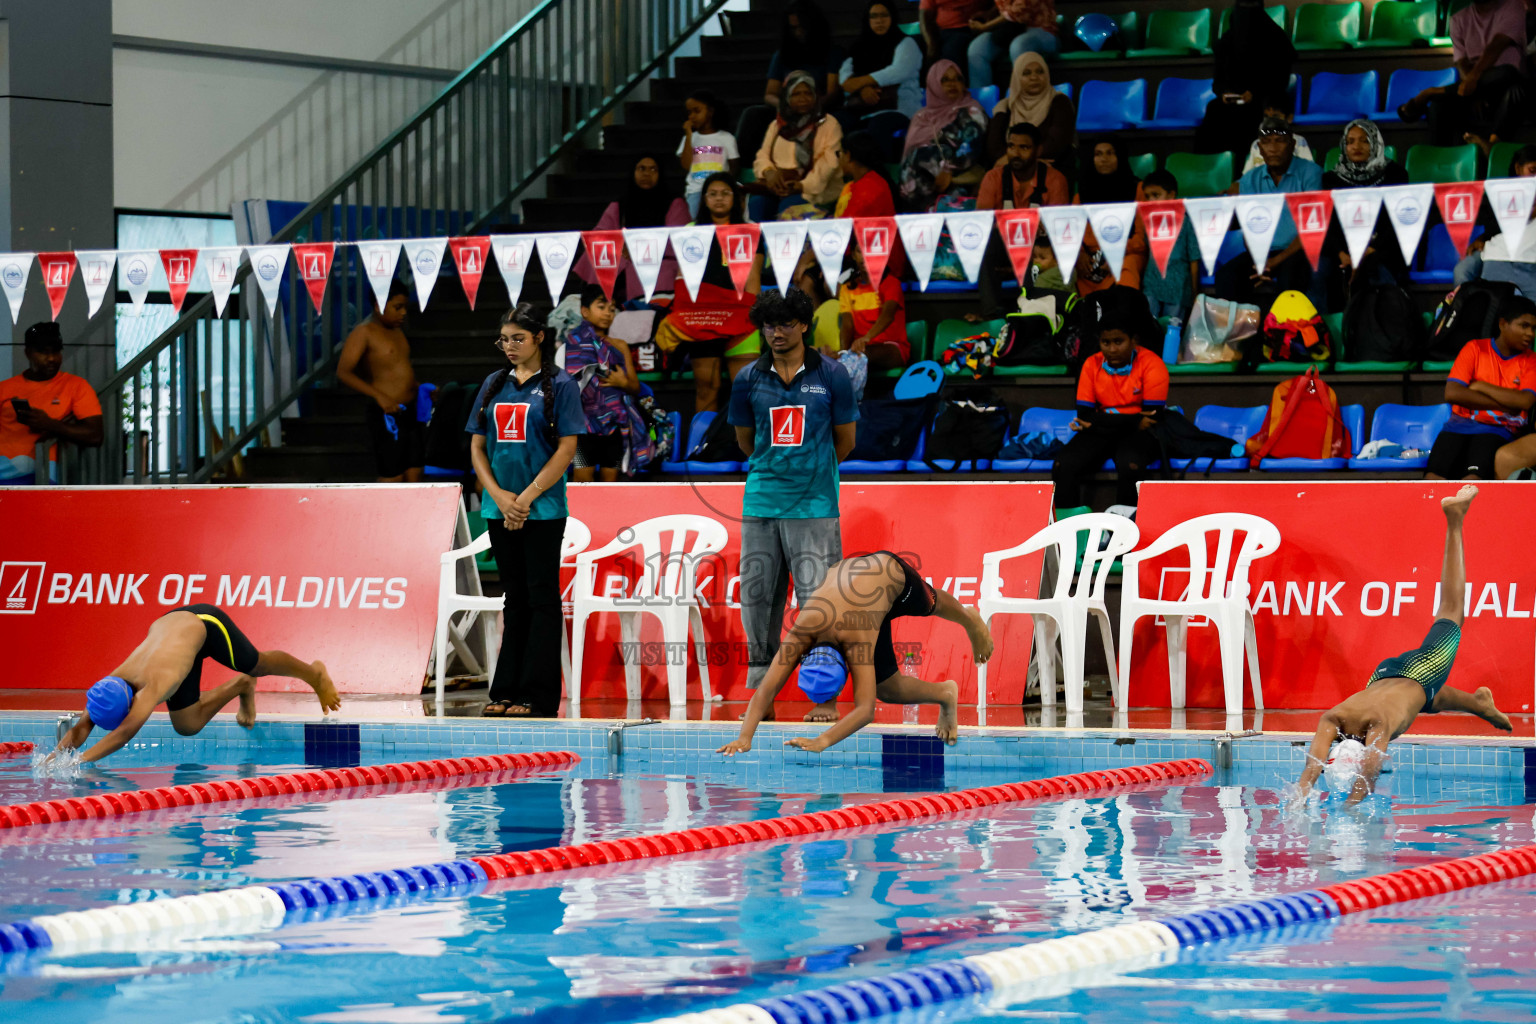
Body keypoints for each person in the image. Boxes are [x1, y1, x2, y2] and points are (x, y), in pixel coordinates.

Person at [1291, 486, 1512, 808]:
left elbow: (1364, 784)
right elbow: (1310, 773)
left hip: (1423, 670)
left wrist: (1344, 813)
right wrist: (1298, 801)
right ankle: (1481, 705)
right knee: (1426, 697)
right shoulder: (1332, 717)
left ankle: (1455, 521)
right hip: (1383, 674)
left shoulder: (1369, 724)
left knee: (1451, 609)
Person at [727, 288, 858, 723]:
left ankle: (824, 697)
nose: (776, 333)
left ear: (804, 325)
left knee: (819, 602)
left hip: (815, 504)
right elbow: (746, 442)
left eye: (785, 324)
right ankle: (762, 691)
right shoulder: (747, 378)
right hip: (762, 499)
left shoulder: (834, 374)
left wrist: (811, 472)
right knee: (758, 598)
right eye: (768, 325)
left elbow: (847, 441)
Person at [717, 550, 993, 753]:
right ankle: (945, 693)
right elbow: (765, 691)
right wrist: (745, 737)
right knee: (887, 689)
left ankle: (969, 620)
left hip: (888, 574)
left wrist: (824, 740)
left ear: (848, 665)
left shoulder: (857, 638)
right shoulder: (801, 631)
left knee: (931, 603)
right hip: (855, 588)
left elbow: (865, 711)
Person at [467, 303, 585, 717]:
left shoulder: (562, 385)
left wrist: (527, 497)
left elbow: (568, 449)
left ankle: (537, 696)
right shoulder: (493, 383)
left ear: (538, 338)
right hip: (500, 509)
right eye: (504, 339)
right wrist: (498, 496)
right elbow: (477, 446)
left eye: (518, 338)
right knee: (513, 599)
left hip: (544, 510)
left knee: (541, 598)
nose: (510, 346)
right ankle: (505, 691)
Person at [50, 606, 341, 765]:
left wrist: (79, 762)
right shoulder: (109, 688)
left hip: (202, 623)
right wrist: (54, 760)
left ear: (131, 706)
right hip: (172, 636)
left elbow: (123, 734)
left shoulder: (151, 688)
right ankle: (241, 685)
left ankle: (313, 674)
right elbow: (81, 727)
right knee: (187, 725)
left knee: (255, 662)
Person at [656, 173, 765, 413]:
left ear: (735, 199)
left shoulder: (749, 230)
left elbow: (753, 280)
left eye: (725, 193)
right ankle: (703, 449)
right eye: (713, 194)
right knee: (707, 388)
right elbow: (683, 280)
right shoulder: (690, 230)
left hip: (741, 318)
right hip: (702, 319)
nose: (719, 199)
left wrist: (752, 316)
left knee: (746, 390)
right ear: (704, 199)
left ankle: (748, 450)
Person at [1051, 289, 1168, 509]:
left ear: (1134, 340)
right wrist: (1132, 419)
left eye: (1118, 341)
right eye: (1106, 343)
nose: (1111, 349)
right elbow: (1085, 415)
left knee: (1131, 465)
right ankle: (1068, 532)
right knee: (1062, 465)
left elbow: (1151, 419)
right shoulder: (1091, 364)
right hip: (1112, 430)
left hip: (1139, 434)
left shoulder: (1153, 364)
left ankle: (1125, 533)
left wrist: (1100, 420)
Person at [1215, 117, 1323, 316]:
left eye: (1279, 141)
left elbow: (1311, 228)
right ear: (1260, 149)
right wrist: (1259, 259)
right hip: (1263, 252)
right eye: (1266, 142)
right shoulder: (1249, 180)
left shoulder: (1311, 173)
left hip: (1297, 251)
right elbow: (1249, 228)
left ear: (1291, 145)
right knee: (1226, 276)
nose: (1272, 148)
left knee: (1290, 277)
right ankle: (1237, 340)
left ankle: (1287, 341)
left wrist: (1276, 261)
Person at [1426, 295, 1536, 481]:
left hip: (1498, 430)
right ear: (1503, 324)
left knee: (1473, 479)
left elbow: (1524, 401)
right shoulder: (1475, 349)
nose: (1530, 334)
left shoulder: (1531, 360)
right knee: (1433, 478)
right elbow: (1452, 392)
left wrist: (1481, 386)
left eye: (1533, 328)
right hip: (1457, 426)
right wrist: (1507, 404)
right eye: (1523, 326)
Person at [1398, 0, 1529, 150]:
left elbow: (1496, 45)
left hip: (1507, 87)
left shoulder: (1514, 6)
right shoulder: (1458, 19)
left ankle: (1431, 92)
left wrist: (1473, 79)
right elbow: (1462, 62)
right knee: (1438, 105)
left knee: (1507, 74)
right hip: (1475, 90)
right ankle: (1441, 159)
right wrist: (1472, 90)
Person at [976, 122, 1070, 316]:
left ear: (1038, 150)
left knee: (1034, 246)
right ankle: (990, 313)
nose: (1015, 153)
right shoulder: (993, 178)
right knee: (985, 243)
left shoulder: (1055, 179)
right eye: (1011, 146)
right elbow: (981, 223)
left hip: (1039, 249)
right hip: (1001, 245)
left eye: (1024, 147)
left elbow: (1057, 228)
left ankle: (1029, 311)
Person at [336, 278, 423, 483]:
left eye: (405, 308)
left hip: (410, 410)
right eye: (397, 307)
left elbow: (396, 369)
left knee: (415, 472)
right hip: (386, 415)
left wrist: (420, 388)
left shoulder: (397, 331)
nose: (403, 313)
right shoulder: (364, 332)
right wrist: (380, 397)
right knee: (394, 475)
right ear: (378, 305)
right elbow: (343, 372)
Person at [1320, 119, 1411, 307]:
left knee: (1373, 266)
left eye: (1364, 140)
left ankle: (1385, 321)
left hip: (1382, 245)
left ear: (1375, 143)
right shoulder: (1330, 180)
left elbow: (1398, 221)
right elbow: (1328, 224)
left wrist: (1368, 249)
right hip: (1343, 251)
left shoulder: (1395, 174)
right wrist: (1341, 253)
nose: (1356, 147)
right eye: (1350, 141)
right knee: (1321, 269)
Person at [575, 155, 689, 303]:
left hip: (660, 259)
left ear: (660, 174)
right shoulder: (621, 204)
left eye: (653, 169)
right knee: (598, 255)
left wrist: (638, 249)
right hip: (625, 258)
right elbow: (599, 234)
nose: (647, 173)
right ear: (633, 173)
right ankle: (601, 304)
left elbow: (679, 239)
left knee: (662, 268)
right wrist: (620, 246)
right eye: (641, 168)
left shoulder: (674, 202)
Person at [0, 321, 102, 483]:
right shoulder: (4, 388)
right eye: (43, 352)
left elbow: (95, 435)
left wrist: (49, 424)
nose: (51, 358)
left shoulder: (76, 386)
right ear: (28, 353)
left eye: (56, 352)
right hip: (4, 478)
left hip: (46, 479)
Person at [1195, 0, 1296, 159]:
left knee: (1255, 114)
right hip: (1232, 102)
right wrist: (1225, 93)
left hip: (1263, 100)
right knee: (1215, 109)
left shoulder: (1276, 41)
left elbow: (1279, 81)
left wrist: (1255, 93)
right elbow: (1218, 82)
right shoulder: (1226, 43)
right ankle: (1213, 164)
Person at [565, 284, 646, 481]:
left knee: (610, 482)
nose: (608, 313)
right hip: (583, 425)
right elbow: (569, 382)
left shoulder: (620, 346)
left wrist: (621, 382)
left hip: (615, 424)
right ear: (585, 311)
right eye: (601, 307)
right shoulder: (573, 342)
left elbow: (635, 387)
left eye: (612, 309)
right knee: (582, 479)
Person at [751, 70, 845, 222]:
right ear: (787, 97)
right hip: (777, 188)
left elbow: (829, 163)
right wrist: (769, 173)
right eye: (796, 94)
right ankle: (759, 246)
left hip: (813, 190)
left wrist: (802, 186)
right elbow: (763, 155)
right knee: (757, 207)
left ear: (816, 95)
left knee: (790, 211)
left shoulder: (829, 123)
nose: (803, 99)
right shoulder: (777, 125)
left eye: (807, 93)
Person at [899, 60, 989, 211]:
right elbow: (909, 152)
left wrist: (948, 170)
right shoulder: (921, 116)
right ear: (933, 83)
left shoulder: (971, 111)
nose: (952, 84)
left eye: (957, 79)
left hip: (952, 184)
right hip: (916, 193)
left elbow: (970, 148)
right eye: (945, 80)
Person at [1452, 144, 1536, 296]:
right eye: (1532, 171)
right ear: (1518, 168)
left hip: (1529, 259)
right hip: (1497, 253)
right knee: (1462, 270)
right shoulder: (1501, 193)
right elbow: (1492, 227)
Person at [1072, 138, 1148, 295]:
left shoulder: (1137, 190)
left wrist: (1115, 253)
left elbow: (1142, 238)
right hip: (1091, 258)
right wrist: (1079, 254)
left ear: (1120, 156)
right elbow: (1072, 234)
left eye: (1110, 153)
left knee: (1127, 267)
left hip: (1127, 252)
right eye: (1098, 154)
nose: (1104, 159)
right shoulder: (1082, 195)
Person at [984, 52, 1076, 174]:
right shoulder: (1005, 107)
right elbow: (994, 147)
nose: (1034, 77)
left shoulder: (1060, 102)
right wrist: (1021, 161)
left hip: (1051, 168)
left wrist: (1018, 159)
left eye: (1040, 72)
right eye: (1026, 73)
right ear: (1017, 78)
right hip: (1012, 168)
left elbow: (1056, 143)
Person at [838, 0, 924, 122]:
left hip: (899, 110)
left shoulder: (906, 43)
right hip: (861, 108)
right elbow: (845, 80)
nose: (879, 21)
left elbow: (898, 71)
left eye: (884, 15)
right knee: (838, 122)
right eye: (874, 16)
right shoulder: (858, 47)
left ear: (892, 17)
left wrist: (860, 82)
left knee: (879, 126)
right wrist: (863, 89)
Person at [1139, 170, 1202, 320]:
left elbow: (1194, 259)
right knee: (1149, 327)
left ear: (1171, 195)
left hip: (1178, 287)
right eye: (1147, 196)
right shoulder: (1148, 223)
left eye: (1156, 195)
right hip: (1152, 284)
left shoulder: (1186, 222)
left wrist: (1194, 293)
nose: (1150, 201)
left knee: (1172, 331)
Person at [839, 245, 908, 371]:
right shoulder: (847, 287)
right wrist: (843, 352)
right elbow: (847, 324)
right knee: (842, 361)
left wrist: (867, 338)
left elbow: (887, 316)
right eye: (860, 251)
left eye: (869, 251)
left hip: (893, 347)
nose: (865, 256)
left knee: (858, 358)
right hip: (860, 350)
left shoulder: (891, 283)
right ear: (854, 255)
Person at [766, 0, 842, 113]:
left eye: (803, 27)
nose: (798, 32)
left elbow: (832, 93)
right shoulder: (782, 55)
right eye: (793, 28)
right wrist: (785, 106)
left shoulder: (832, 53)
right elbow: (770, 94)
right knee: (753, 113)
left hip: (821, 109)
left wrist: (809, 107)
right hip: (789, 110)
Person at [966, 0, 1059, 89]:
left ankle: (1023, 99)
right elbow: (1004, 7)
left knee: (1019, 45)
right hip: (1008, 31)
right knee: (977, 48)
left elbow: (1020, 9)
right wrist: (986, 15)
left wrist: (985, 27)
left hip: (1041, 30)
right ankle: (980, 102)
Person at [678, 89, 740, 219]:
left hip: (719, 191)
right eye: (689, 112)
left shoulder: (726, 138)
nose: (692, 116)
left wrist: (726, 185)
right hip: (696, 191)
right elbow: (686, 165)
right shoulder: (689, 140)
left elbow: (734, 166)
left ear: (710, 112)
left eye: (697, 111)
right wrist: (689, 136)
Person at [920, 0, 992, 69]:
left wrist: (988, 14)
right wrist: (930, 43)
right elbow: (924, 16)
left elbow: (1000, 6)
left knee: (954, 47)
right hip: (942, 32)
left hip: (973, 28)